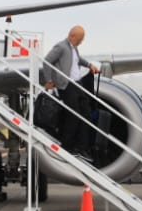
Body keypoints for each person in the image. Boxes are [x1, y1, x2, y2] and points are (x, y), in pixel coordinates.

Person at [42, 26, 100, 156]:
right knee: (73, 115)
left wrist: (89, 65)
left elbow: (78, 60)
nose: (81, 41)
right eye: (80, 39)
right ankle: (67, 146)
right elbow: (47, 61)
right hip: (66, 85)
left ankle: (82, 147)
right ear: (72, 36)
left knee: (86, 114)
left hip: (77, 84)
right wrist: (49, 81)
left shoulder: (74, 48)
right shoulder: (61, 47)